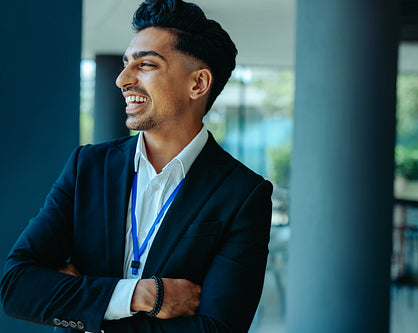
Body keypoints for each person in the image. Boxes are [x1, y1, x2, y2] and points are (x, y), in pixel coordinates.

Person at [0, 1, 272, 332]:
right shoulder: (88, 166)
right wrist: (142, 295)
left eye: (145, 65)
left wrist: (86, 302)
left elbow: (217, 329)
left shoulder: (243, 194)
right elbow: (16, 286)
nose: (122, 79)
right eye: (127, 63)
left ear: (198, 84)